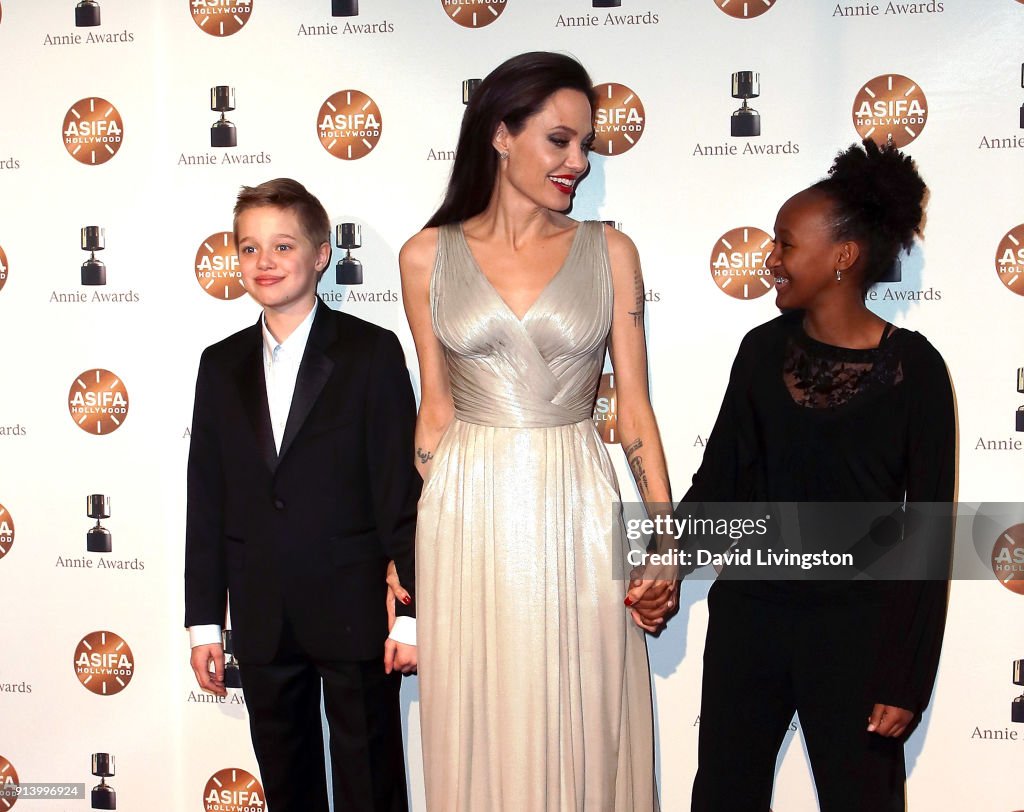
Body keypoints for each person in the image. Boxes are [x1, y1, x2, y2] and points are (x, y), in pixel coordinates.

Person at [398, 51, 673, 811]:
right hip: (465, 510)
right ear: (500, 133)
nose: (578, 163)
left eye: (586, 145)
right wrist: (414, 535)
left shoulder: (610, 252)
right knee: (480, 706)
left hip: (579, 500)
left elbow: (636, 411)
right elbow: (436, 410)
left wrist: (665, 539)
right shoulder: (425, 256)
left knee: (588, 704)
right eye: (560, 140)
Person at [665, 140, 955, 811]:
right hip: (750, 622)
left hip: (859, 636)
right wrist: (666, 561)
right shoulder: (761, 351)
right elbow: (720, 482)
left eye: (786, 244)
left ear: (843, 258)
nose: (771, 260)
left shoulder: (917, 373)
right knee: (723, 797)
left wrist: (904, 677)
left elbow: (930, 533)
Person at [184, 178, 419, 812]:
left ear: (320, 256)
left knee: (370, 780)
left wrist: (415, 610)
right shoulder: (218, 364)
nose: (264, 262)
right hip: (259, 615)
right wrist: (206, 620)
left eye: (282, 246)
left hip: (355, 609)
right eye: (249, 247)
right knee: (286, 785)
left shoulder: (371, 352)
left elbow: (399, 489)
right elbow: (206, 500)